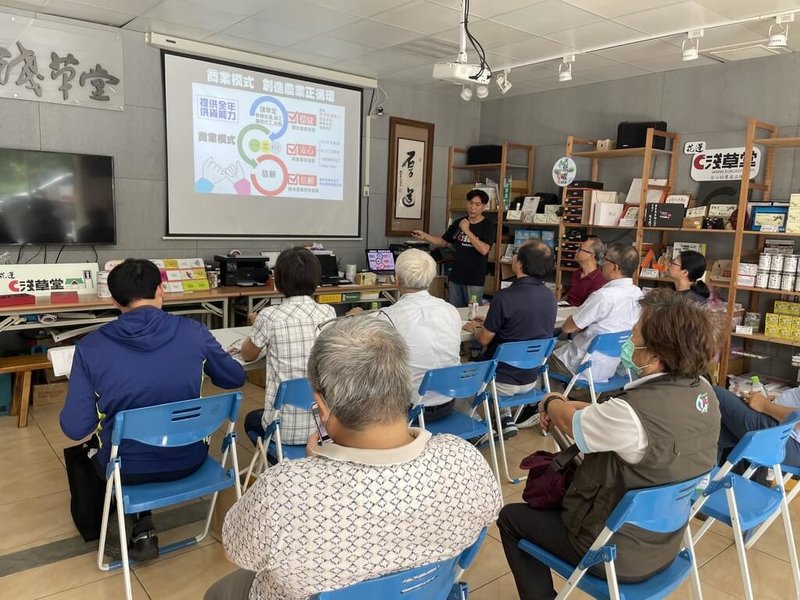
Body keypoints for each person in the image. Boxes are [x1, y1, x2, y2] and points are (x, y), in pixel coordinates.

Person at [205, 317, 502, 600]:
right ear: (404, 384)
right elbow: (488, 517)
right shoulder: (464, 460)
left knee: (218, 592)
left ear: (322, 406)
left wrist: (311, 472)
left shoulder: (283, 490)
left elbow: (236, 551)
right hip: (426, 592)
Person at [498, 289, 721, 600]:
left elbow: (569, 422)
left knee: (511, 518)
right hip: (665, 544)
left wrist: (551, 401)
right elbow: (606, 418)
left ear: (655, 356)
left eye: (635, 335)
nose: (629, 341)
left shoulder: (631, 414)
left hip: (614, 552)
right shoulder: (704, 393)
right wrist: (573, 409)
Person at [60, 258, 245, 561]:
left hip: (127, 469)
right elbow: (233, 378)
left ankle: (130, 522)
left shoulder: (90, 348)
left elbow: (74, 427)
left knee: (106, 447)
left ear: (114, 300)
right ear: (162, 291)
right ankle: (141, 523)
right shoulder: (194, 332)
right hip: (189, 458)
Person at [239, 247, 336, 445]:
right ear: (316, 279)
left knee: (251, 420)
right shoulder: (328, 313)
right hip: (323, 428)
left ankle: (277, 469)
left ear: (279, 281)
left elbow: (248, 355)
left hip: (283, 432)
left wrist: (257, 324)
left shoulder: (269, 316)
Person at [464, 239, 557, 438]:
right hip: (531, 378)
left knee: (461, 377)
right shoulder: (550, 297)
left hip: (500, 378)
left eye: (515, 254)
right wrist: (491, 320)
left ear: (520, 263)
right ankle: (504, 417)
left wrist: (477, 328)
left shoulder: (504, 297)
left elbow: (484, 340)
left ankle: (473, 429)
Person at [375, 248, 462, 421]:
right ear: (430, 279)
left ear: (396, 280)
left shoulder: (387, 317)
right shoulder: (450, 310)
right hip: (448, 402)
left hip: (408, 410)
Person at [549, 242, 643, 386]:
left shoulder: (603, 296)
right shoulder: (638, 293)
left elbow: (568, 327)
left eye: (605, 260)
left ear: (615, 267)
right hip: (610, 365)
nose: (601, 264)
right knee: (559, 346)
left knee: (537, 354)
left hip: (580, 365)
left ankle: (548, 402)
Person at [411, 189, 496, 307]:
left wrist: (466, 230)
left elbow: (484, 250)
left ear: (483, 207)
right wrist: (425, 236)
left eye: (477, 204)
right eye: (471, 203)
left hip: (475, 279)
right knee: (454, 310)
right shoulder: (459, 222)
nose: (473, 207)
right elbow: (443, 241)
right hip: (456, 276)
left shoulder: (488, 226)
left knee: (472, 312)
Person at [715, 385, 800, 470]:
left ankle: (706, 472)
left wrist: (764, 405)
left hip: (787, 436)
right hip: (784, 428)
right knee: (720, 429)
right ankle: (706, 474)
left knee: (714, 394)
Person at [566, 237, 606, 307]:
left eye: (580, 249)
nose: (576, 251)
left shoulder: (599, 281)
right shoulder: (576, 273)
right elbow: (569, 297)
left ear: (591, 255)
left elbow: (590, 309)